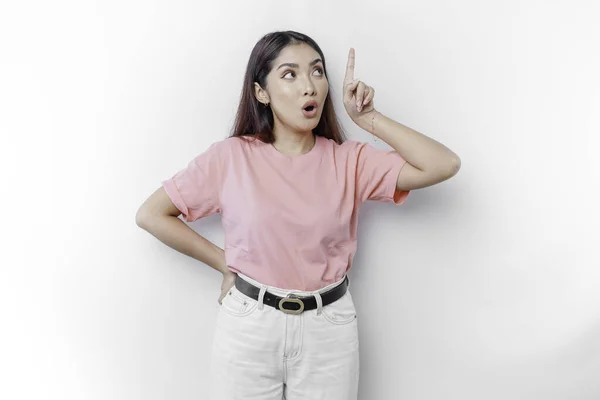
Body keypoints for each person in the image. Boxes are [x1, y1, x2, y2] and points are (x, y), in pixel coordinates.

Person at [136, 30, 460, 400]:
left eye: (317, 72)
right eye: (290, 74)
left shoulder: (349, 160)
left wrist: (370, 120)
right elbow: (152, 214)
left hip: (329, 329)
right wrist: (225, 264)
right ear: (262, 92)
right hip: (249, 325)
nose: (309, 86)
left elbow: (443, 164)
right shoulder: (231, 157)